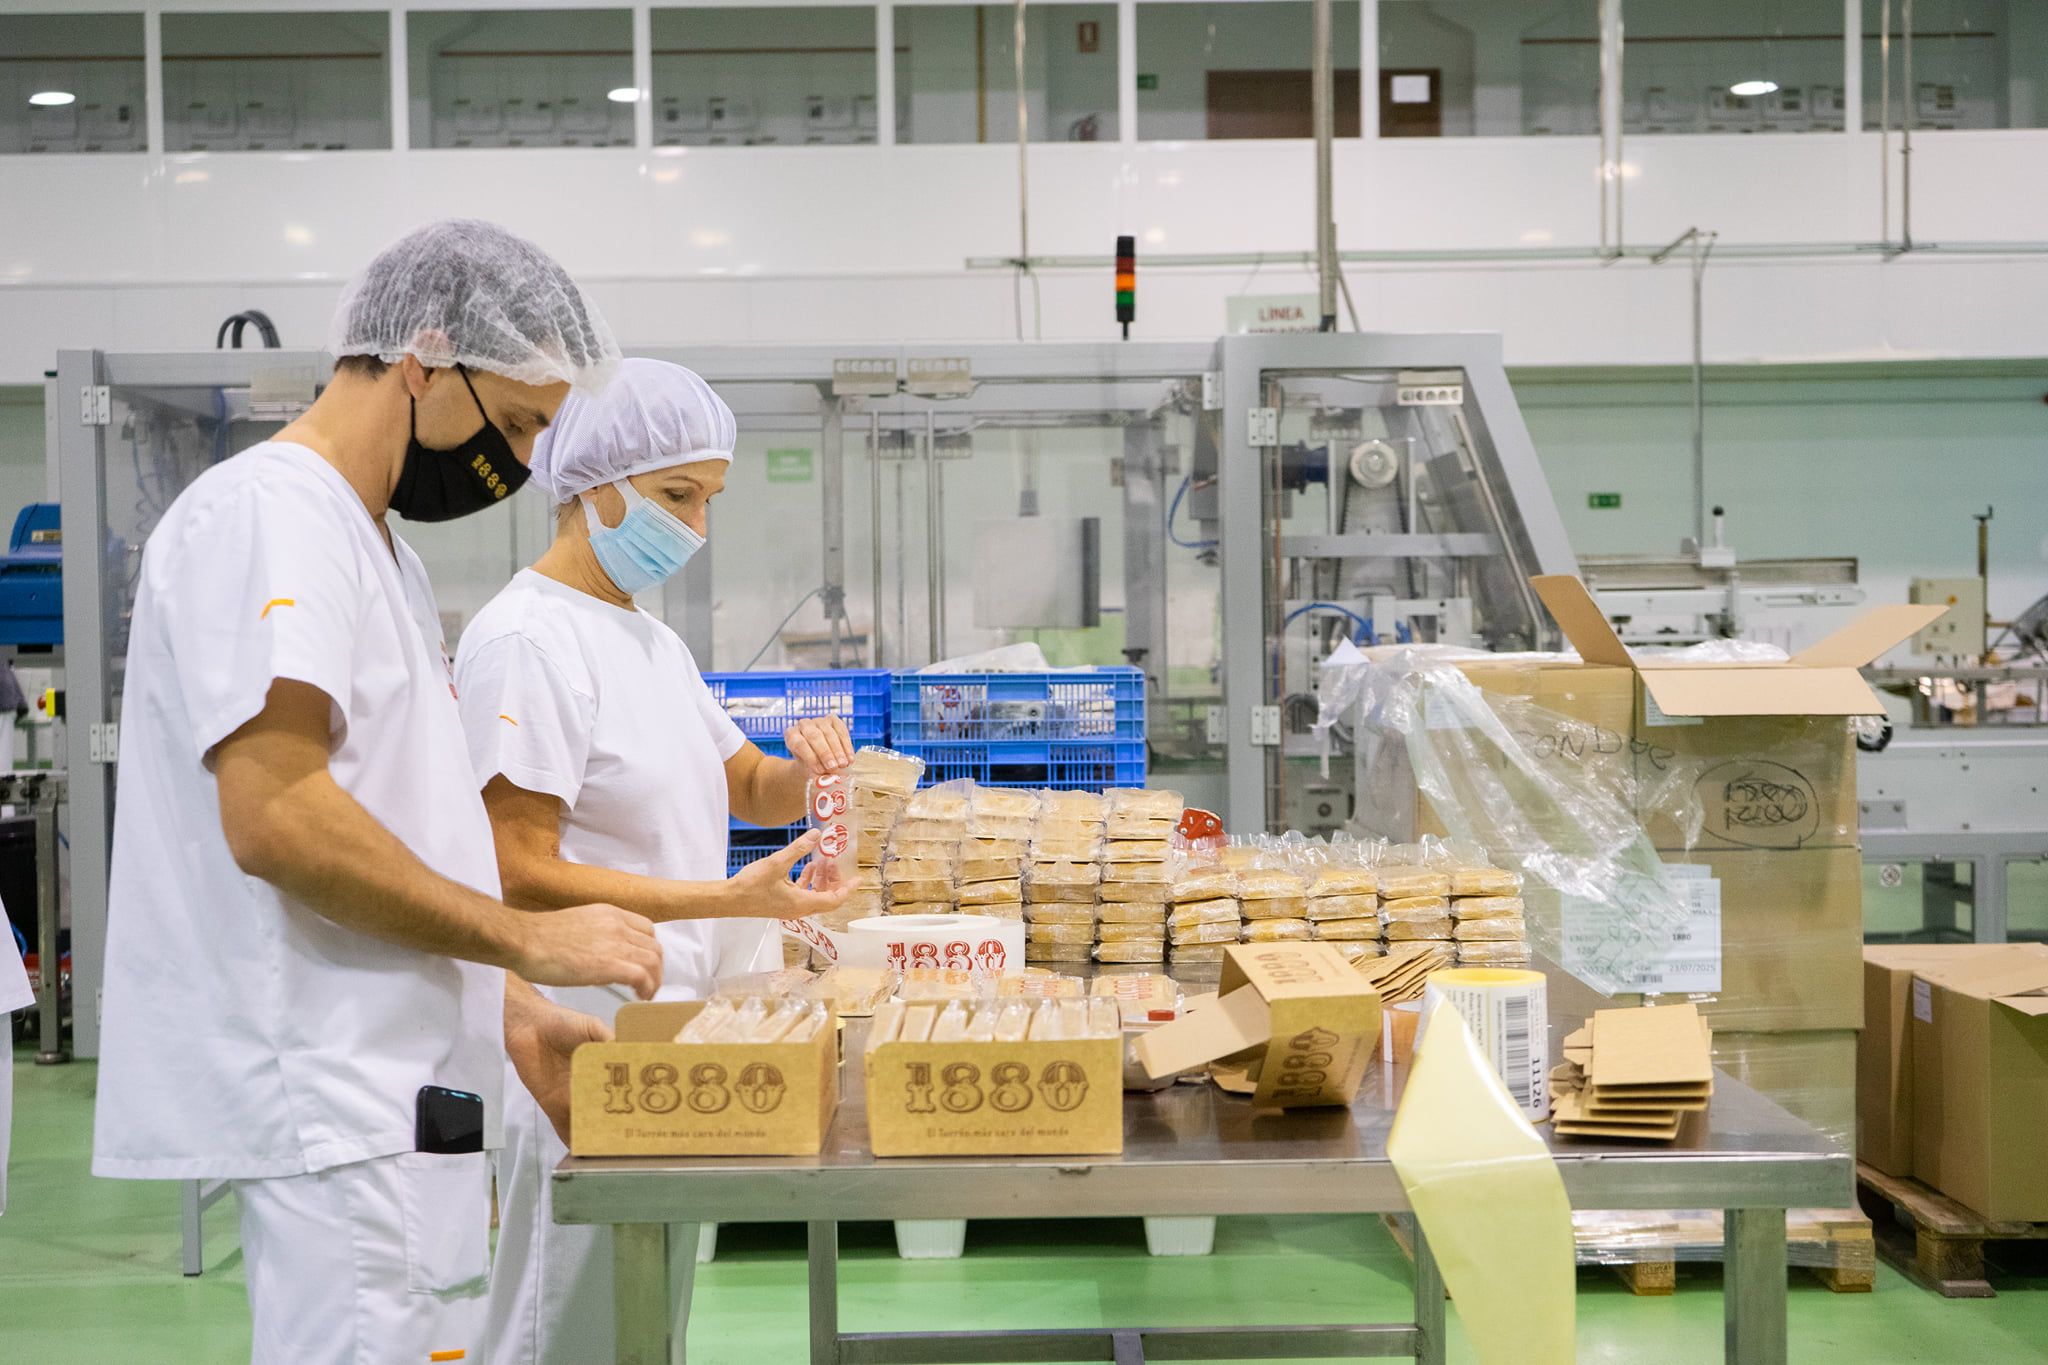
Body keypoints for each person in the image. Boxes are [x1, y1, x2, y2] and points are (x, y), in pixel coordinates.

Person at [91, 220, 663, 1365]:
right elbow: (280, 817)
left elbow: (404, 819)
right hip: (335, 1094)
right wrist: (524, 939)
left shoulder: (376, 551)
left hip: (408, 1094)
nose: (512, 465)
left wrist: (503, 1009)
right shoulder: (270, 515)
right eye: (509, 426)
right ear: (423, 357)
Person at [453, 357, 851, 1364]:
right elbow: (512, 869)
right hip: (572, 1034)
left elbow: (742, 782)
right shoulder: (527, 642)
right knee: (559, 1323)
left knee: (640, 1322)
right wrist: (721, 899)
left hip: (666, 1033)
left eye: (709, 500)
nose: (695, 528)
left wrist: (810, 766)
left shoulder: (644, 639)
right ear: (595, 483)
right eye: (678, 496)